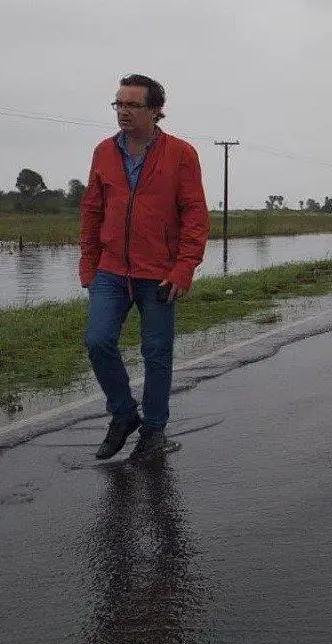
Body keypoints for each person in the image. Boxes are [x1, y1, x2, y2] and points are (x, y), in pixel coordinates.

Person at [79, 74, 209, 460]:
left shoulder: (181, 154)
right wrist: (89, 265)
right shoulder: (103, 152)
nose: (123, 112)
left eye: (133, 105)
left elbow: (195, 215)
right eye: (118, 104)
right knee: (98, 341)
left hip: (160, 272)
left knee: (156, 351)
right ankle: (123, 415)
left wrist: (184, 268)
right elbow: (92, 210)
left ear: (155, 110)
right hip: (111, 269)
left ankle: (153, 429)